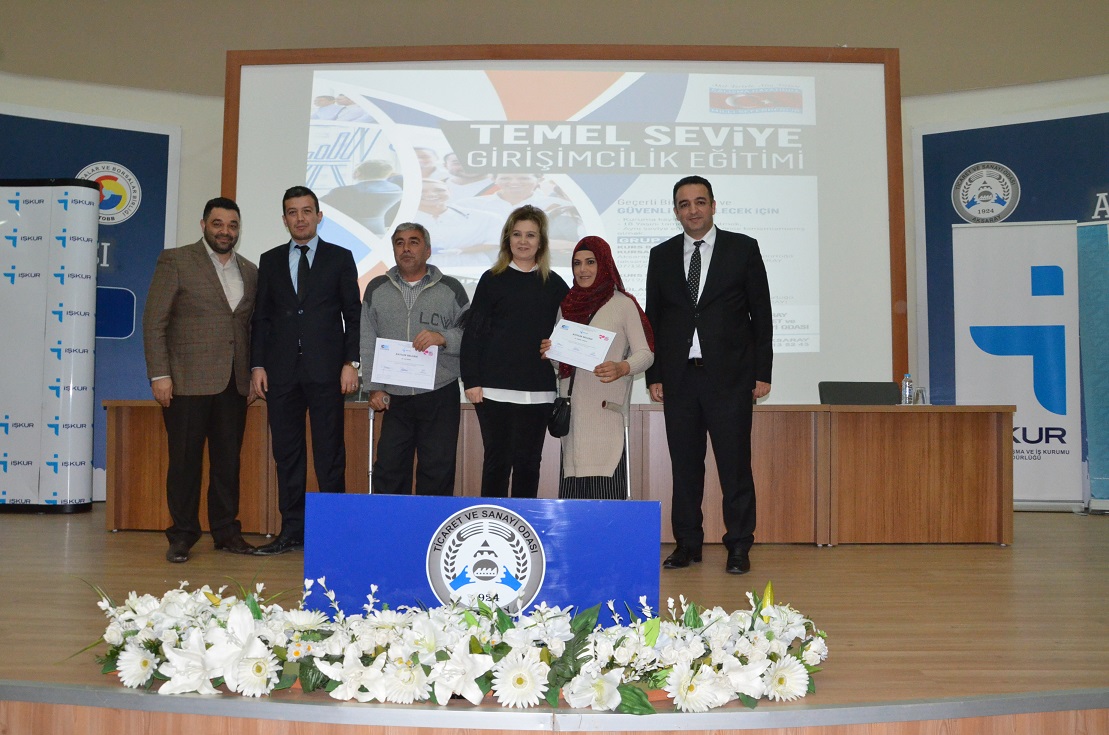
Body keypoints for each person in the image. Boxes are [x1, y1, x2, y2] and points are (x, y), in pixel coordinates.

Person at [645, 176, 772, 575]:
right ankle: (687, 544)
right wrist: (655, 374)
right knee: (685, 467)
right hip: (680, 379)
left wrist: (762, 372)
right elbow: (654, 319)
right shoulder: (661, 255)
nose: (693, 210)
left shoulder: (743, 248)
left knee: (735, 467)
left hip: (731, 379)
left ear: (713, 206)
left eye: (700, 202)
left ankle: (739, 545)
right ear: (676, 211)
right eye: (684, 204)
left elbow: (761, 315)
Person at [142, 197, 258, 563]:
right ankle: (182, 535)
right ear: (204, 224)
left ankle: (226, 532)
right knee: (184, 463)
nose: (226, 231)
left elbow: (249, 327)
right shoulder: (176, 260)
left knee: (227, 464)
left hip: (233, 384)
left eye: (233, 225)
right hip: (185, 382)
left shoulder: (250, 270)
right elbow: (154, 322)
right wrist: (160, 374)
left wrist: (252, 373)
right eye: (218, 223)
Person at [251, 186, 362, 555]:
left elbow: (353, 315)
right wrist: (258, 364)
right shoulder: (269, 260)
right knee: (288, 454)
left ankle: (334, 532)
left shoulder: (340, 257)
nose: (299, 218)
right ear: (284, 219)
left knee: (330, 453)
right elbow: (261, 318)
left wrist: (351, 363)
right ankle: (292, 530)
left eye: (306, 211)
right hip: (281, 373)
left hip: (327, 371)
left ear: (319, 216)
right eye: (292, 212)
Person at [460, 205, 569, 498]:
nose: (523, 241)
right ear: (507, 239)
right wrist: (471, 380)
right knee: (497, 463)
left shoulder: (555, 284)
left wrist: (558, 349)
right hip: (494, 390)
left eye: (531, 235)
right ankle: (492, 524)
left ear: (541, 242)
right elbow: (473, 334)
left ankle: (522, 525)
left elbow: (571, 332)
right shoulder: (491, 279)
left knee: (529, 465)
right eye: (517, 234)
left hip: (539, 392)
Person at [540, 236, 654, 499]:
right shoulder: (568, 305)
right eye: (577, 263)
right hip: (573, 421)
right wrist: (551, 353)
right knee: (574, 505)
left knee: (607, 504)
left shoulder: (623, 304)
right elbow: (566, 365)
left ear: (604, 263)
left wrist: (623, 367)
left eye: (590, 262)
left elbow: (646, 354)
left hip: (606, 418)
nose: (583, 269)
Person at [360, 223, 469, 495]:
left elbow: (470, 335)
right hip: (394, 397)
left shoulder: (451, 289)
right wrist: (373, 387)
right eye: (399, 243)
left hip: (439, 392)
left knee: (438, 471)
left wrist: (442, 337)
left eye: (413, 242)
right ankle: (390, 524)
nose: (406, 248)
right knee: (389, 471)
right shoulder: (376, 288)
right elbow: (368, 339)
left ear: (428, 250)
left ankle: (433, 524)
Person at [320, 160, 403, 235]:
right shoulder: (397, 190)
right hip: (379, 231)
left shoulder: (341, 192)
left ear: (358, 173)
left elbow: (317, 206)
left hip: (350, 233)